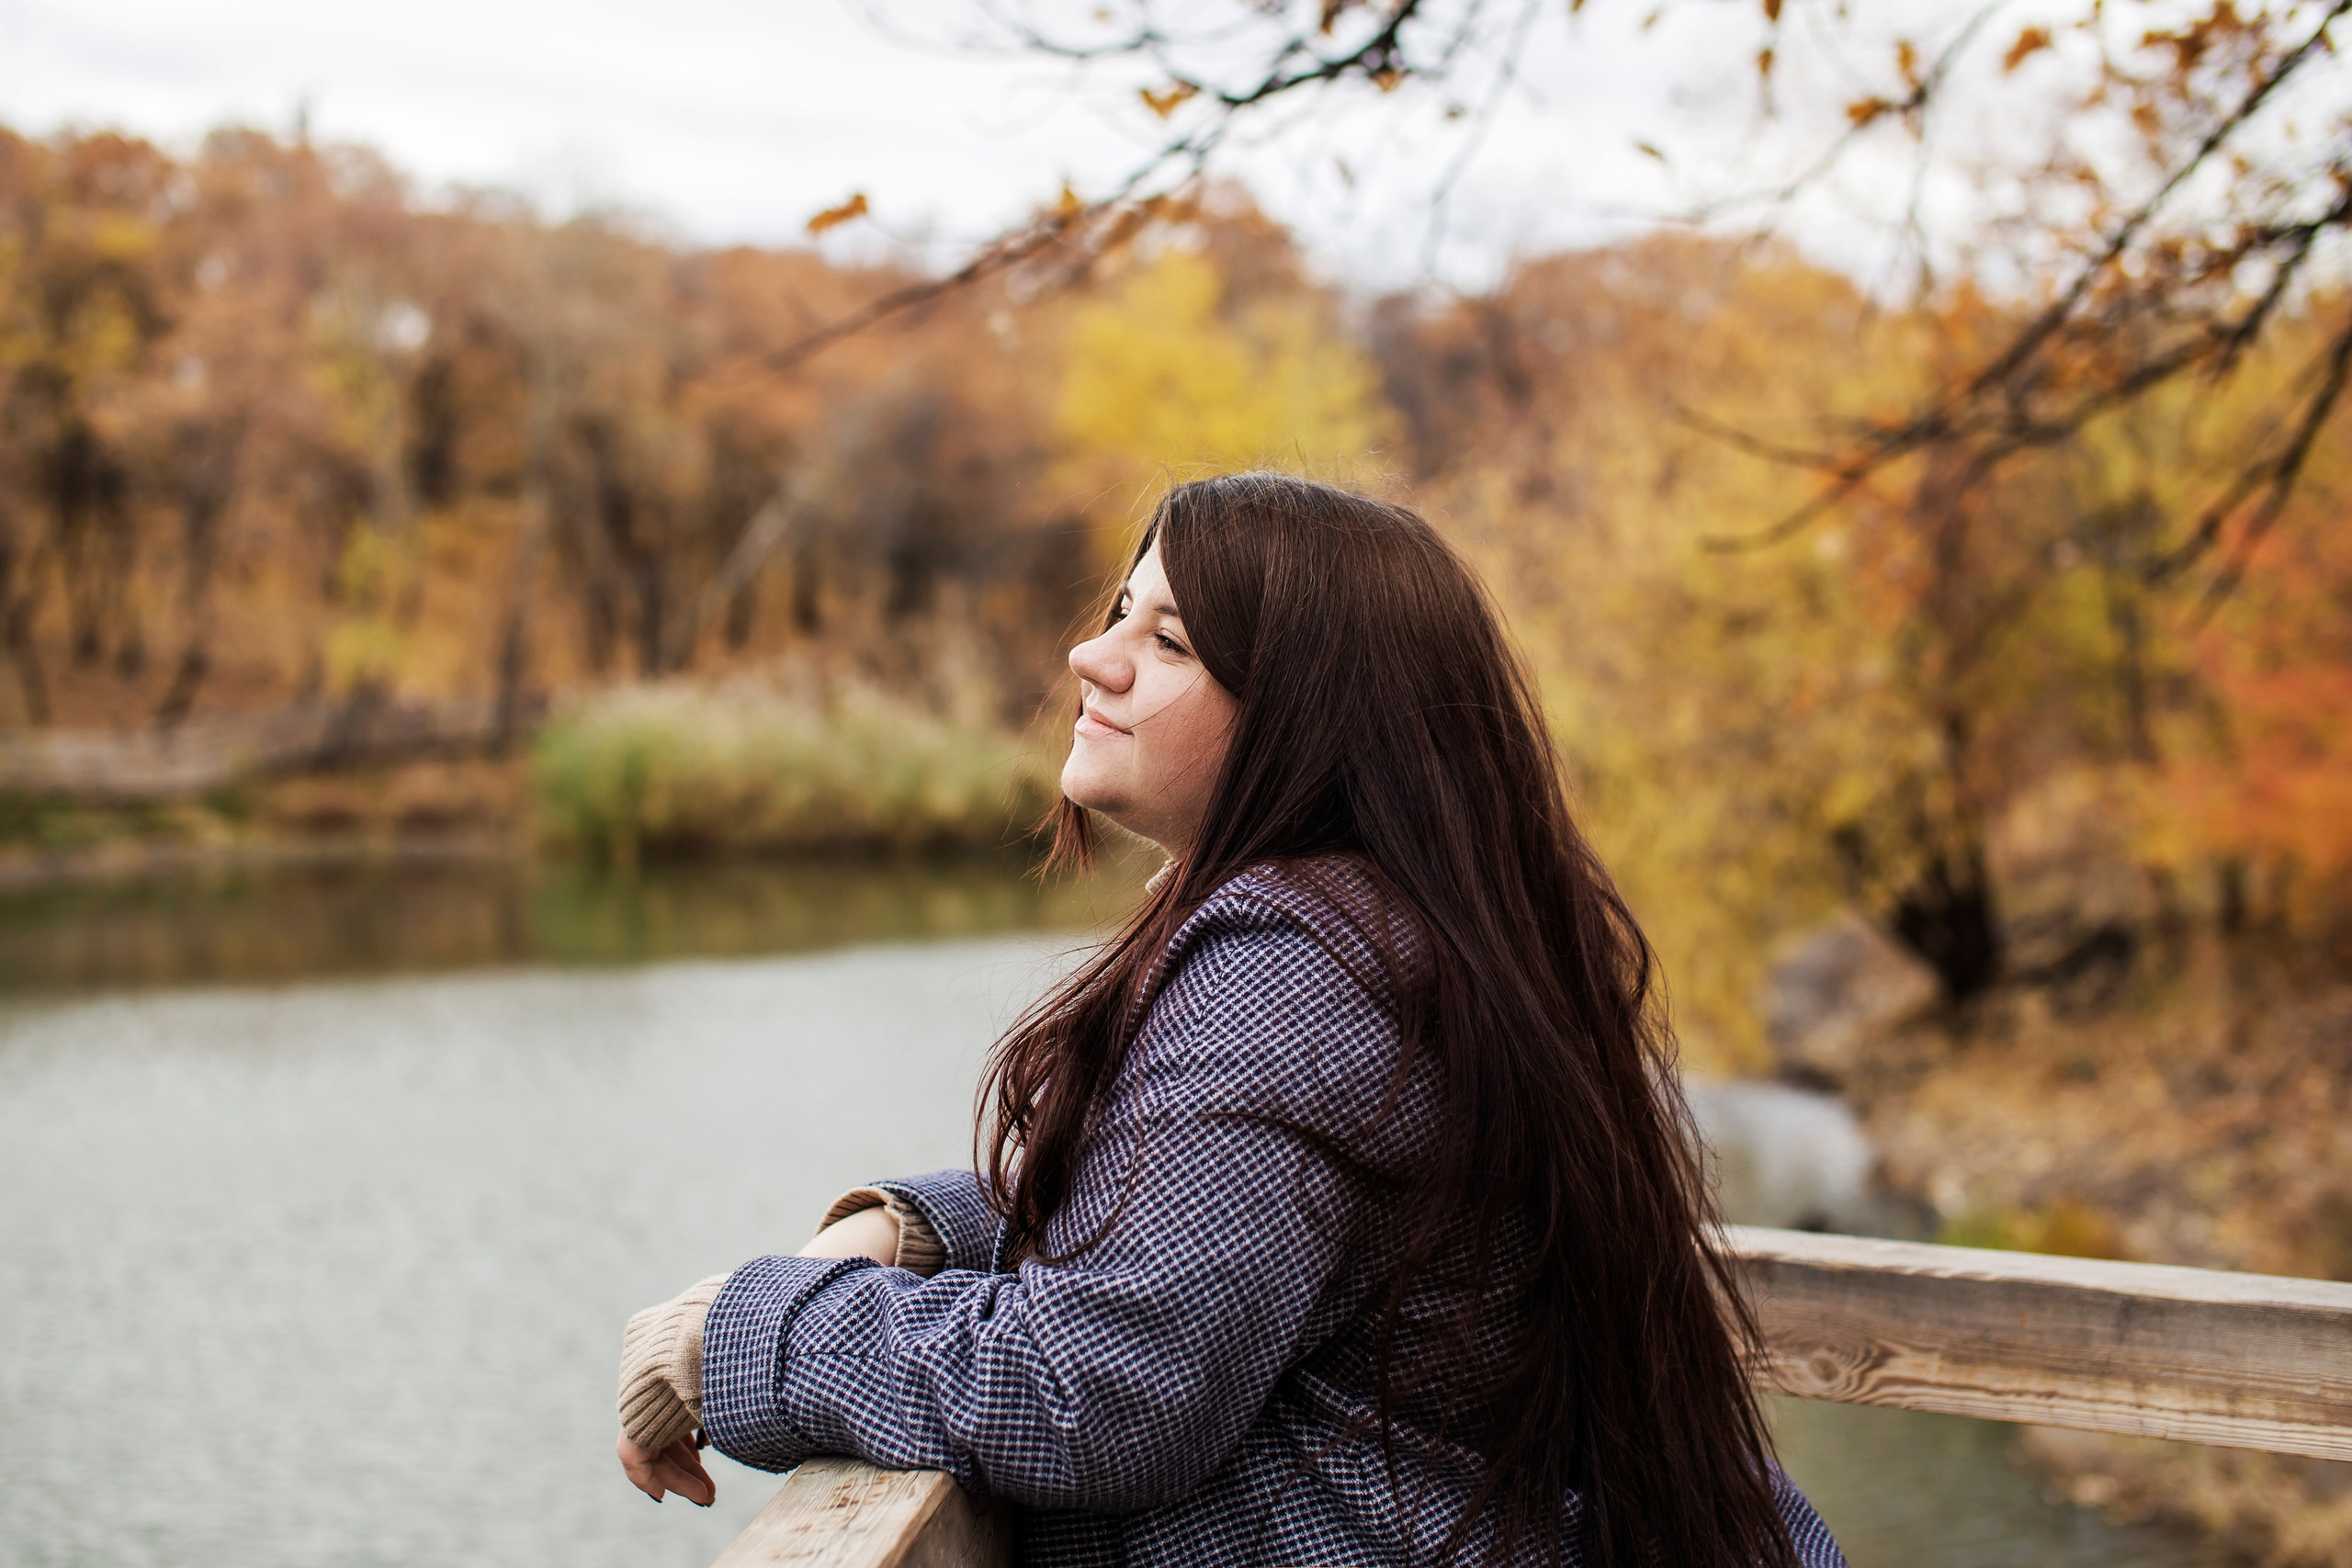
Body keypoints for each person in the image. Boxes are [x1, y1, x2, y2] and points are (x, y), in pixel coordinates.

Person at [613, 473, 1848, 1567]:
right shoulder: (1413, 927)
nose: (1095, 659)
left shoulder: (1293, 959)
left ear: (1308, 716)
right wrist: (916, 1229)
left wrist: (740, 1329)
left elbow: (1096, 1391)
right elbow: (1234, 1201)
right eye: (1118, 614)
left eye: (1173, 642)